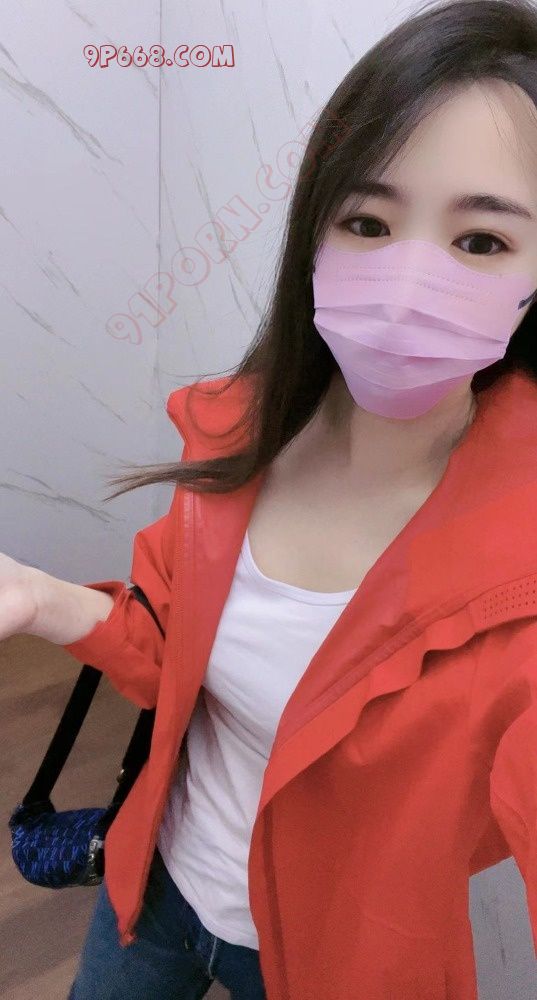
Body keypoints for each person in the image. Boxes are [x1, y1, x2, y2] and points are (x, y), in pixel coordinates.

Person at [4, 0, 537, 997]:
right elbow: (174, 654)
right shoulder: (240, 429)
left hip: (330, 959)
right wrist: (39, 599)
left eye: (480, 241)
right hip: (153, 883)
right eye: (368, 222)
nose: (406, 286)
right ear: (315, 238)